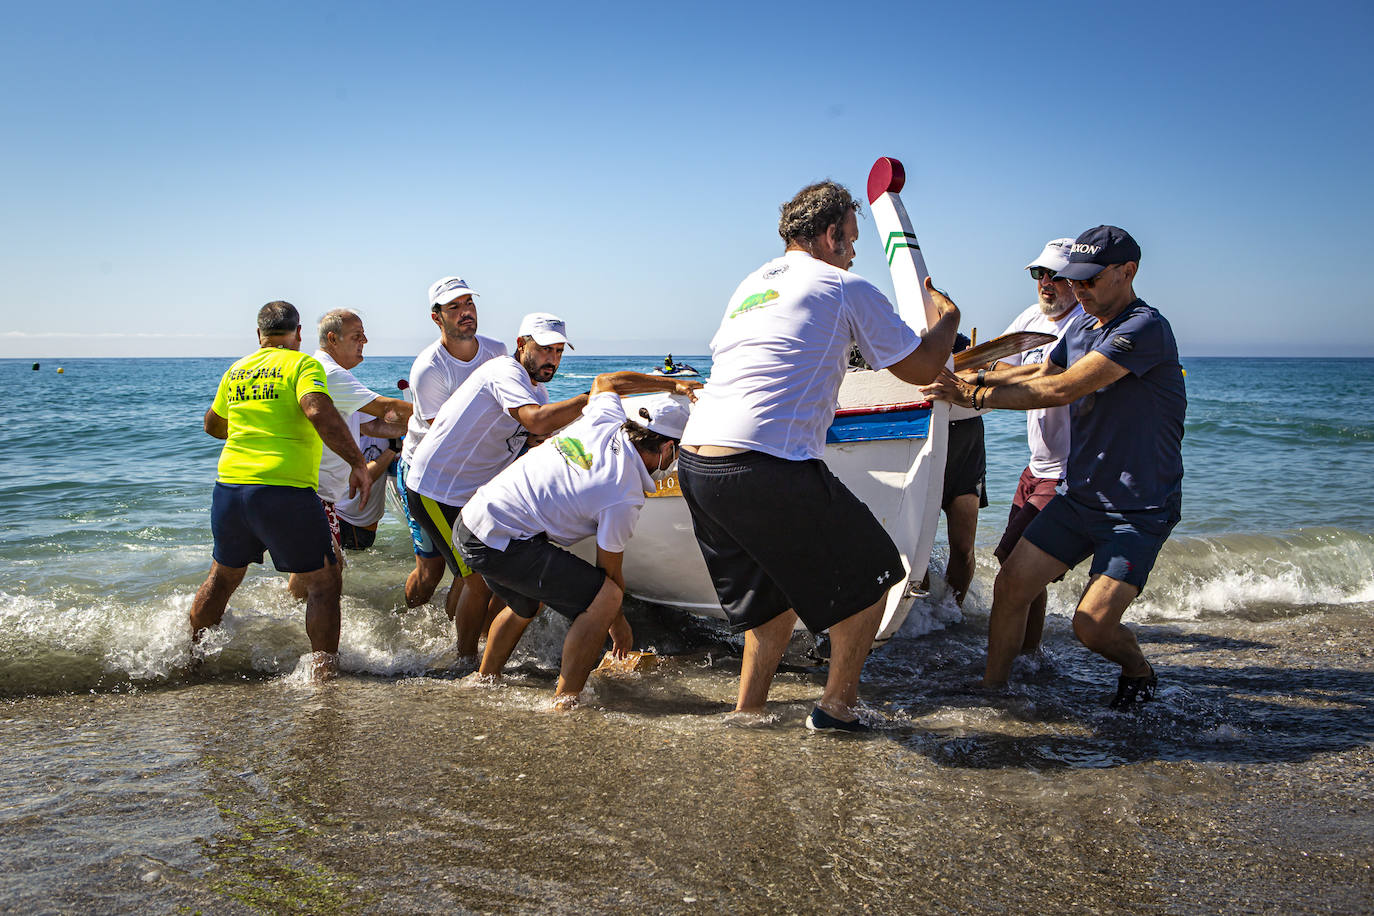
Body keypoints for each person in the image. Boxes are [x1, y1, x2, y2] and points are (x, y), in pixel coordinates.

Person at [676, 180, 960, 732]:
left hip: (698, 463)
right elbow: (924, 370)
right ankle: (838, 710)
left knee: (769, 603)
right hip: (764, 463)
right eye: (851, 240)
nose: (854, 252)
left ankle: (748, 712)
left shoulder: (751, 284)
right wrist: (947, 318)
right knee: (879, 575)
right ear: (830, 235)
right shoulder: (843, 286)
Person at [922, 226, 1185, 707]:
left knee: (1092, 626)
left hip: (1138, 508)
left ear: (1128, 272)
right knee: (1012, 584)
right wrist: (969, 372)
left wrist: (973, 395)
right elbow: (1040, 371)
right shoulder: (1082, 325)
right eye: (1074, 281)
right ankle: (994, 690)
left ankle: (1137, 667)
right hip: (1079, 495)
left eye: (1088, 281)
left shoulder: (1142, 328)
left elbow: (1065, 390)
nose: (1079, 291)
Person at [405, 313, 700, 662]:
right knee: (475, 580)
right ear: (521, 344)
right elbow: (536, 419)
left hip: (478, 488)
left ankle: (485, 645)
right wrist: (592, 400)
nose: (553, 359)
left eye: (559, 351)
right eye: (545, 349)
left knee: (518, 594)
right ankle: (463, 658)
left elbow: (537, 437)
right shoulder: (506, 371)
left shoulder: (538, 390)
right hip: (439, 486)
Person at [458, 390, 692, 706]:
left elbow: (606, 383)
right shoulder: (623, 494)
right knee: (606, 598)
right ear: (667, 448)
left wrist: (665, 383)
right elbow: (609, 572)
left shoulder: (606, 419)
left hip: (472, 521)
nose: (675, 461)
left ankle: (484, 679)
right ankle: (565, 702)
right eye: (677, 453)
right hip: (499, 540)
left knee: (526, 604)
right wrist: (618, 626)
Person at [188, 301, 372, 680]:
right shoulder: (303, 364)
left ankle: (189, 658)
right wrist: (357, 462)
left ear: (259, 335)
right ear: (299, 333)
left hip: (229, 490)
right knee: (324, 581)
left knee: (222, 578)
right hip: (282, 491)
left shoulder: (237, 369)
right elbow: (318, 410)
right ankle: (323, 674)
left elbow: (212, 425)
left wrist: (250, 426)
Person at [986, 238, 1085, 654]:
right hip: (1035, 466)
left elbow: (1050, 385)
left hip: (1067, 471)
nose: (1045, 283)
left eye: (1055, 275)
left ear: (1077, 280)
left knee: (1017, 573)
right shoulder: (1032, 317)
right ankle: (1031, 655)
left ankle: (1002, 678)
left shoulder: (1084, 324)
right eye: (1038, 274)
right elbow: (999, 362)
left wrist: (981, 390)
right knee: (1015, 568)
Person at [397, 276, 509, 614]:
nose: (466, 312)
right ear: (437, 318)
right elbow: (448, 439)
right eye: (454, 307)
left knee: (471, 566)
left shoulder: (496, 352)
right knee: (432, 570)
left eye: (469, 304)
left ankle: (460, 631)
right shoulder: (429, 368)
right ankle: (411, 620)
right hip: (430, 476)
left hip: (476, 469)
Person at [287, 309, 412, 597]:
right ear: (332, 339)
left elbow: (375, 426)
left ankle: (291, 618)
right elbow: (386, 408)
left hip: (316, 492)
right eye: (357, 336)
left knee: (323, 568)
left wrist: (411, 432)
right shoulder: (328, 373)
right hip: (311, 491)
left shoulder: (325, 373)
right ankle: (305, 630)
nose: (365, 341)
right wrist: (446, 417)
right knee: (325, 572)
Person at [936, 331, 987, 607]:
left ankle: (951, 611)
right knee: (918, 547)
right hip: (928, 453)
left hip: (967, 455)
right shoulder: (909, 343)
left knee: (964, 548)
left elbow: (983, 379)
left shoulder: (962, 344)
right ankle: (917, 610)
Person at [334, 427, 400, 550]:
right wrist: (392, 450)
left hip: (366, 523)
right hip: (343, 518)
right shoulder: (341, 438)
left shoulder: (385, 431)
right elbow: (361, 480)